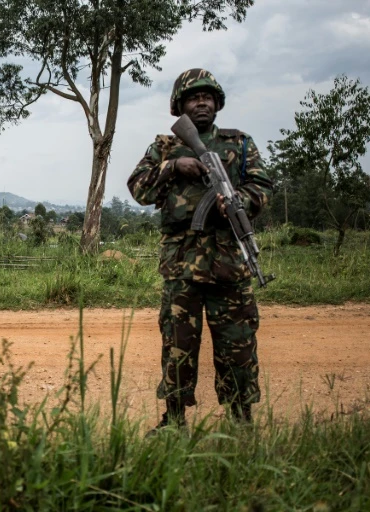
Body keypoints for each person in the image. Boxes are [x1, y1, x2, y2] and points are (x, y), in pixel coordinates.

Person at [127, 68, 273, 431]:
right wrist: (174, 166)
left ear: (218, 102)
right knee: (178, 349)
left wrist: (238, 200)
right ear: (180, 105)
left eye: (208, 96)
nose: (202, 101)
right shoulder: (165, 146)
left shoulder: (239, 143)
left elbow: (263, 187)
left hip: (230, 267)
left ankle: (241, 423)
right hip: (181, 268)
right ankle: (173, 421)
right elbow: (138, 189)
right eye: (194, 97)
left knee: (237, 349)